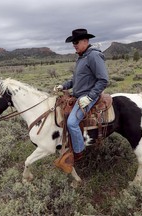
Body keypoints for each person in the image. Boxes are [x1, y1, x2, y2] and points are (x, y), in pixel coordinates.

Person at [54, 28, 109, 161]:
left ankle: (78, 152)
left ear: (85, 41)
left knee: (72, 122)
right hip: (79, 95)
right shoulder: (82, 57)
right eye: (73, 43)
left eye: (76, 42)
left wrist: (89, 97)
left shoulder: (93, 56)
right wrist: (64, 85)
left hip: (88, 96)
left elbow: (103, 80)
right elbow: (76, 80)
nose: (74, 45)